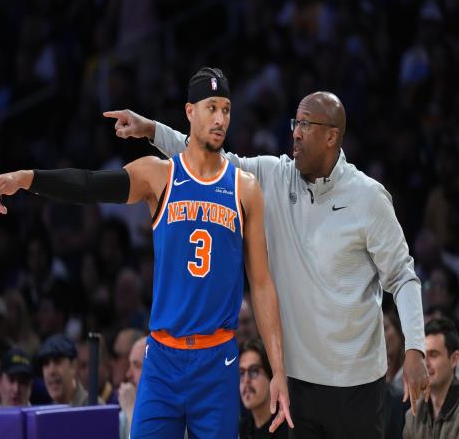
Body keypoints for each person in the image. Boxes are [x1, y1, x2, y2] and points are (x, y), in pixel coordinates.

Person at [0, 67, 292, 439]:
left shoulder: (245, 188)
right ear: (190, 112)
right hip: (163, 358)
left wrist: (278, 370)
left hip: (217, 358)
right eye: (211, 108)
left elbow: (261, 284)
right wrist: (27, 178)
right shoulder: (158, 175)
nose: (220, 118)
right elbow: (90, 185)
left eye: (226, 109)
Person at [105, 90, 430, 438]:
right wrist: (152, 130)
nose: (296, 133)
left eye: (306, 125)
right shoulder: (275, 176)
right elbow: (210, 158)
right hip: (298, 382)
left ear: (332, 136)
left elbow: (403, 276)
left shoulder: (368, 197)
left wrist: (415, 348)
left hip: (357, 384)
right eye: (295, 123)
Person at [403, 317, 459, 438]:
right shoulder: (413, 414)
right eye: (423, 355)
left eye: (433, 354)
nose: (425, 363)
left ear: (454, 359)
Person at [240, 338, 288, 438]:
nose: (246, 380)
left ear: (271, 376)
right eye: (241, 373)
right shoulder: (242, 428)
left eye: (254, 371)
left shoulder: (289, 430)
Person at [37, 333, 90, 406]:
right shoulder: (49, 410)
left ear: (73, 365)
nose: (51, 371)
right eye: (46, 364)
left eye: (57, 361)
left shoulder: (93, 407)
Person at [118, 336, 147, 439]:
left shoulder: (175, 415)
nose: (128, 374)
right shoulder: (123, 417)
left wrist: (132, 411)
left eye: (137, 366)